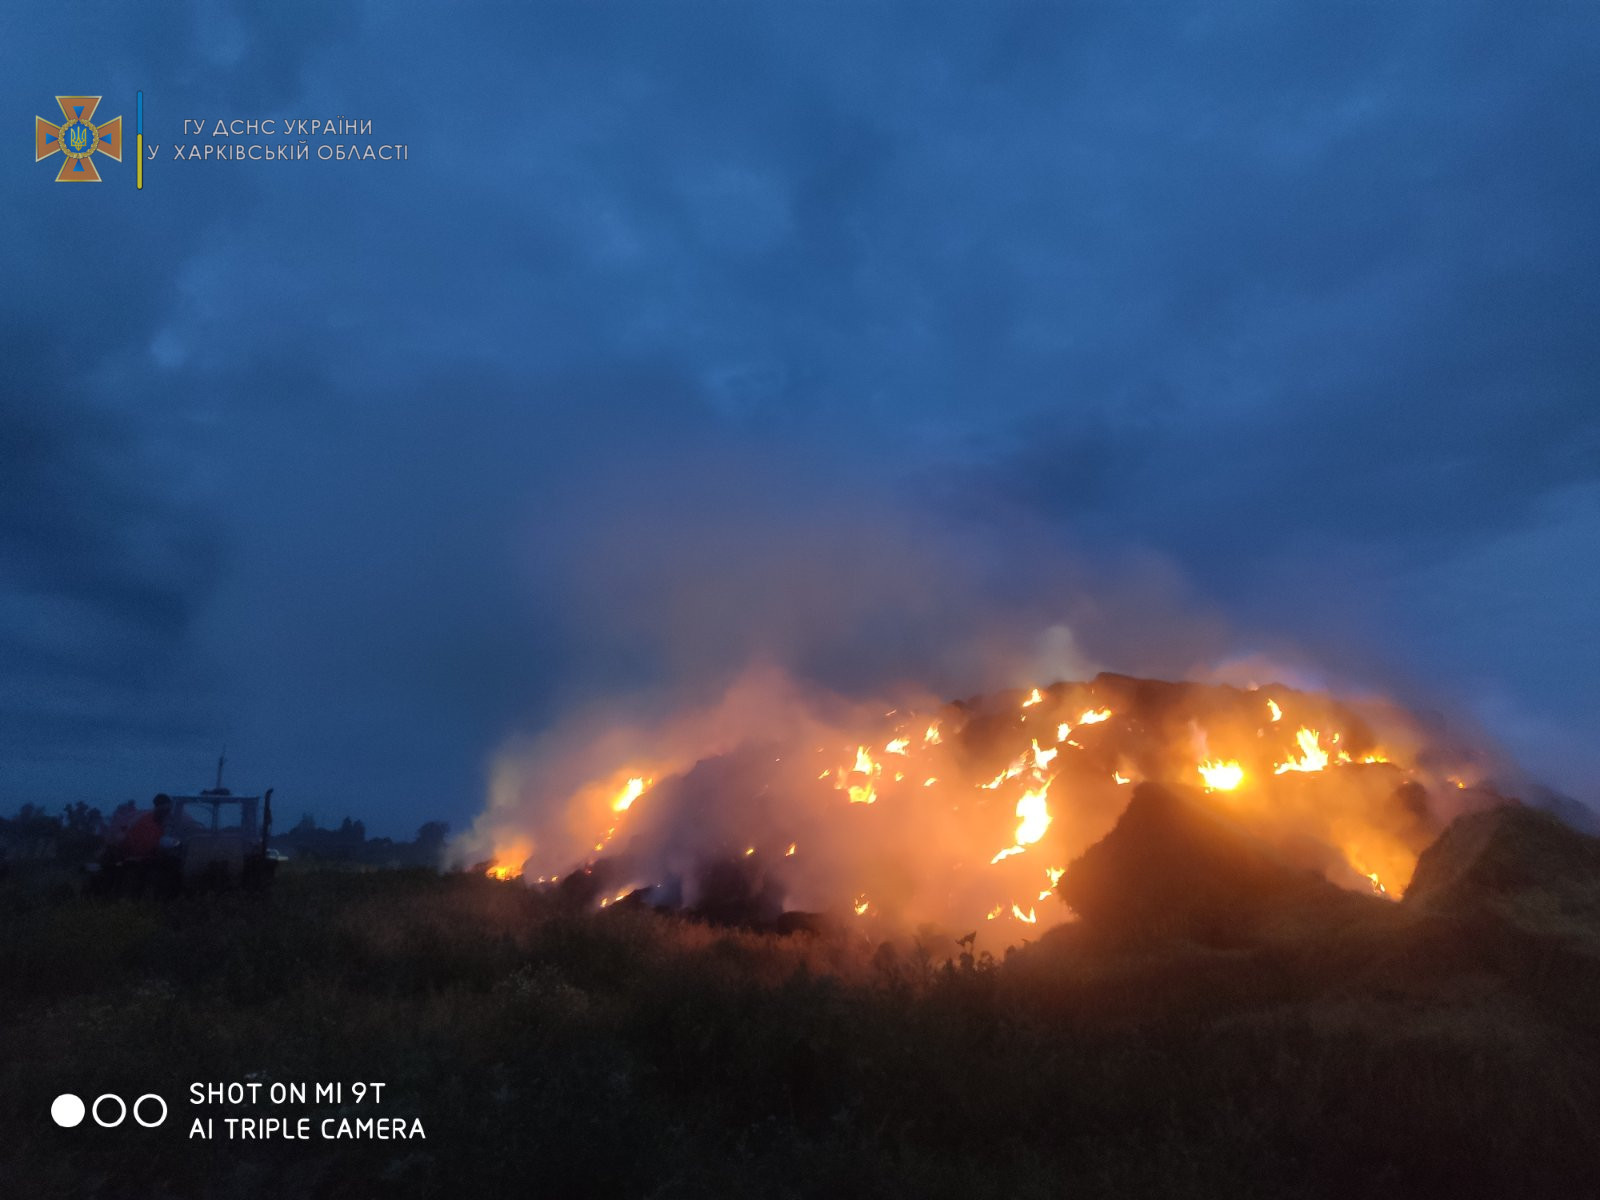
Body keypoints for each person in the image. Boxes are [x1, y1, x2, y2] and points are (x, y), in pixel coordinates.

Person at [119, 793, 173, 859]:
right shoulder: (146, 822)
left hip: (143, 858)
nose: (168, 813)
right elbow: (141, 846)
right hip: (134, 860)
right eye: (166, 810)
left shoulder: (161, 823)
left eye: (169, 810)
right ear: (158, 808)